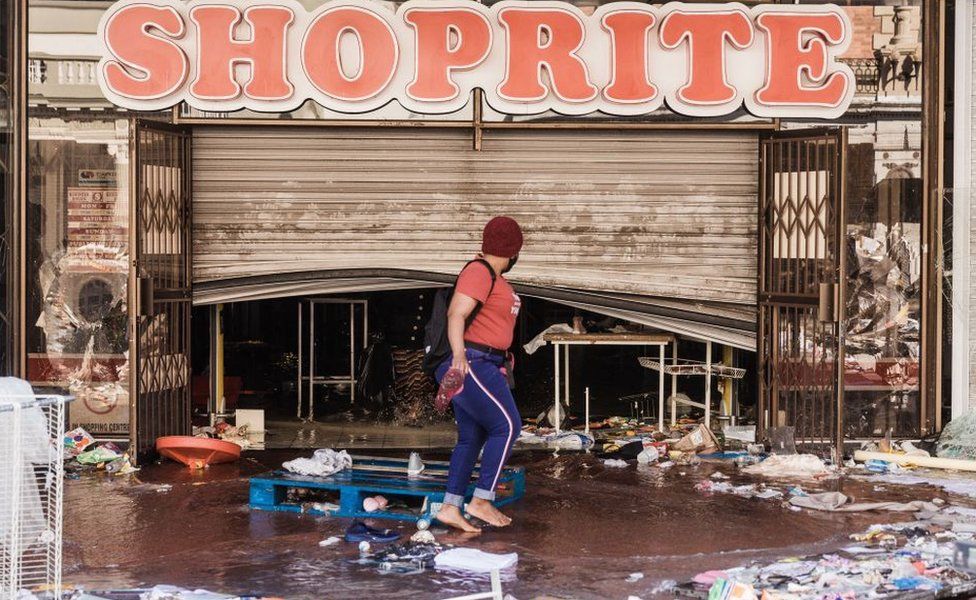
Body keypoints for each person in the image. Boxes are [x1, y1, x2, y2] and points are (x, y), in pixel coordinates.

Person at [435, 216, 524, 533]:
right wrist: (459, 356)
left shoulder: (493, 277)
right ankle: (481, 500)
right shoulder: (479, 270)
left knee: (472, 436)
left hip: (486, 361)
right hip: (473, 361)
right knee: (508, 425)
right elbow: (456, 312)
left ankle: (450, 507)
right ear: (514, 250)